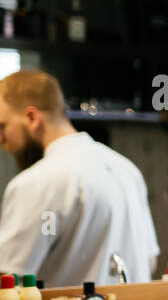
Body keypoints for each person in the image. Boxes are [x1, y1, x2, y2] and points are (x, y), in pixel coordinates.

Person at [0, 70, 159, 286]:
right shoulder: (126, 169)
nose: (2, 139)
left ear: (32, 118)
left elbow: (9, 278)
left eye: (3, 126)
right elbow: (149, 261)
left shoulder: (37, 183)